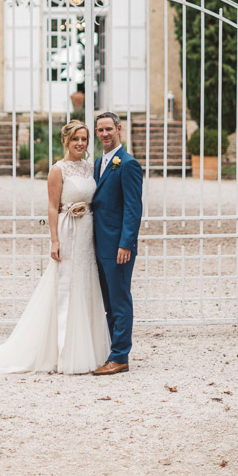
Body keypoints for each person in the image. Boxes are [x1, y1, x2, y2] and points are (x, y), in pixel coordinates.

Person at [0, 120, 110, 374]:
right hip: (67, 230)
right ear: (66, 141)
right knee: (65, 284)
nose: (81, 143)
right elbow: (52, 206)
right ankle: (60, 349)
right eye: (76, 139)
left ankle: (87, 347)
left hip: (87, 231)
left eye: (84, 139)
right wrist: (54, 240)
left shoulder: (90, 167)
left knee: (86, 282)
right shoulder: (57, 170)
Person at [91, 112, 143, 376]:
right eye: (100, 130)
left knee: (120, 301)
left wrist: (125, 244)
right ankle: (113, 350)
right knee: (109, 302)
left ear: (119, 129)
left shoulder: (128, 164)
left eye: (109, 129)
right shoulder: (100, 161)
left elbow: (134, 209)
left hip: (118, 248)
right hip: (100, 246)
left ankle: (120, 356)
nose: (104, 134)